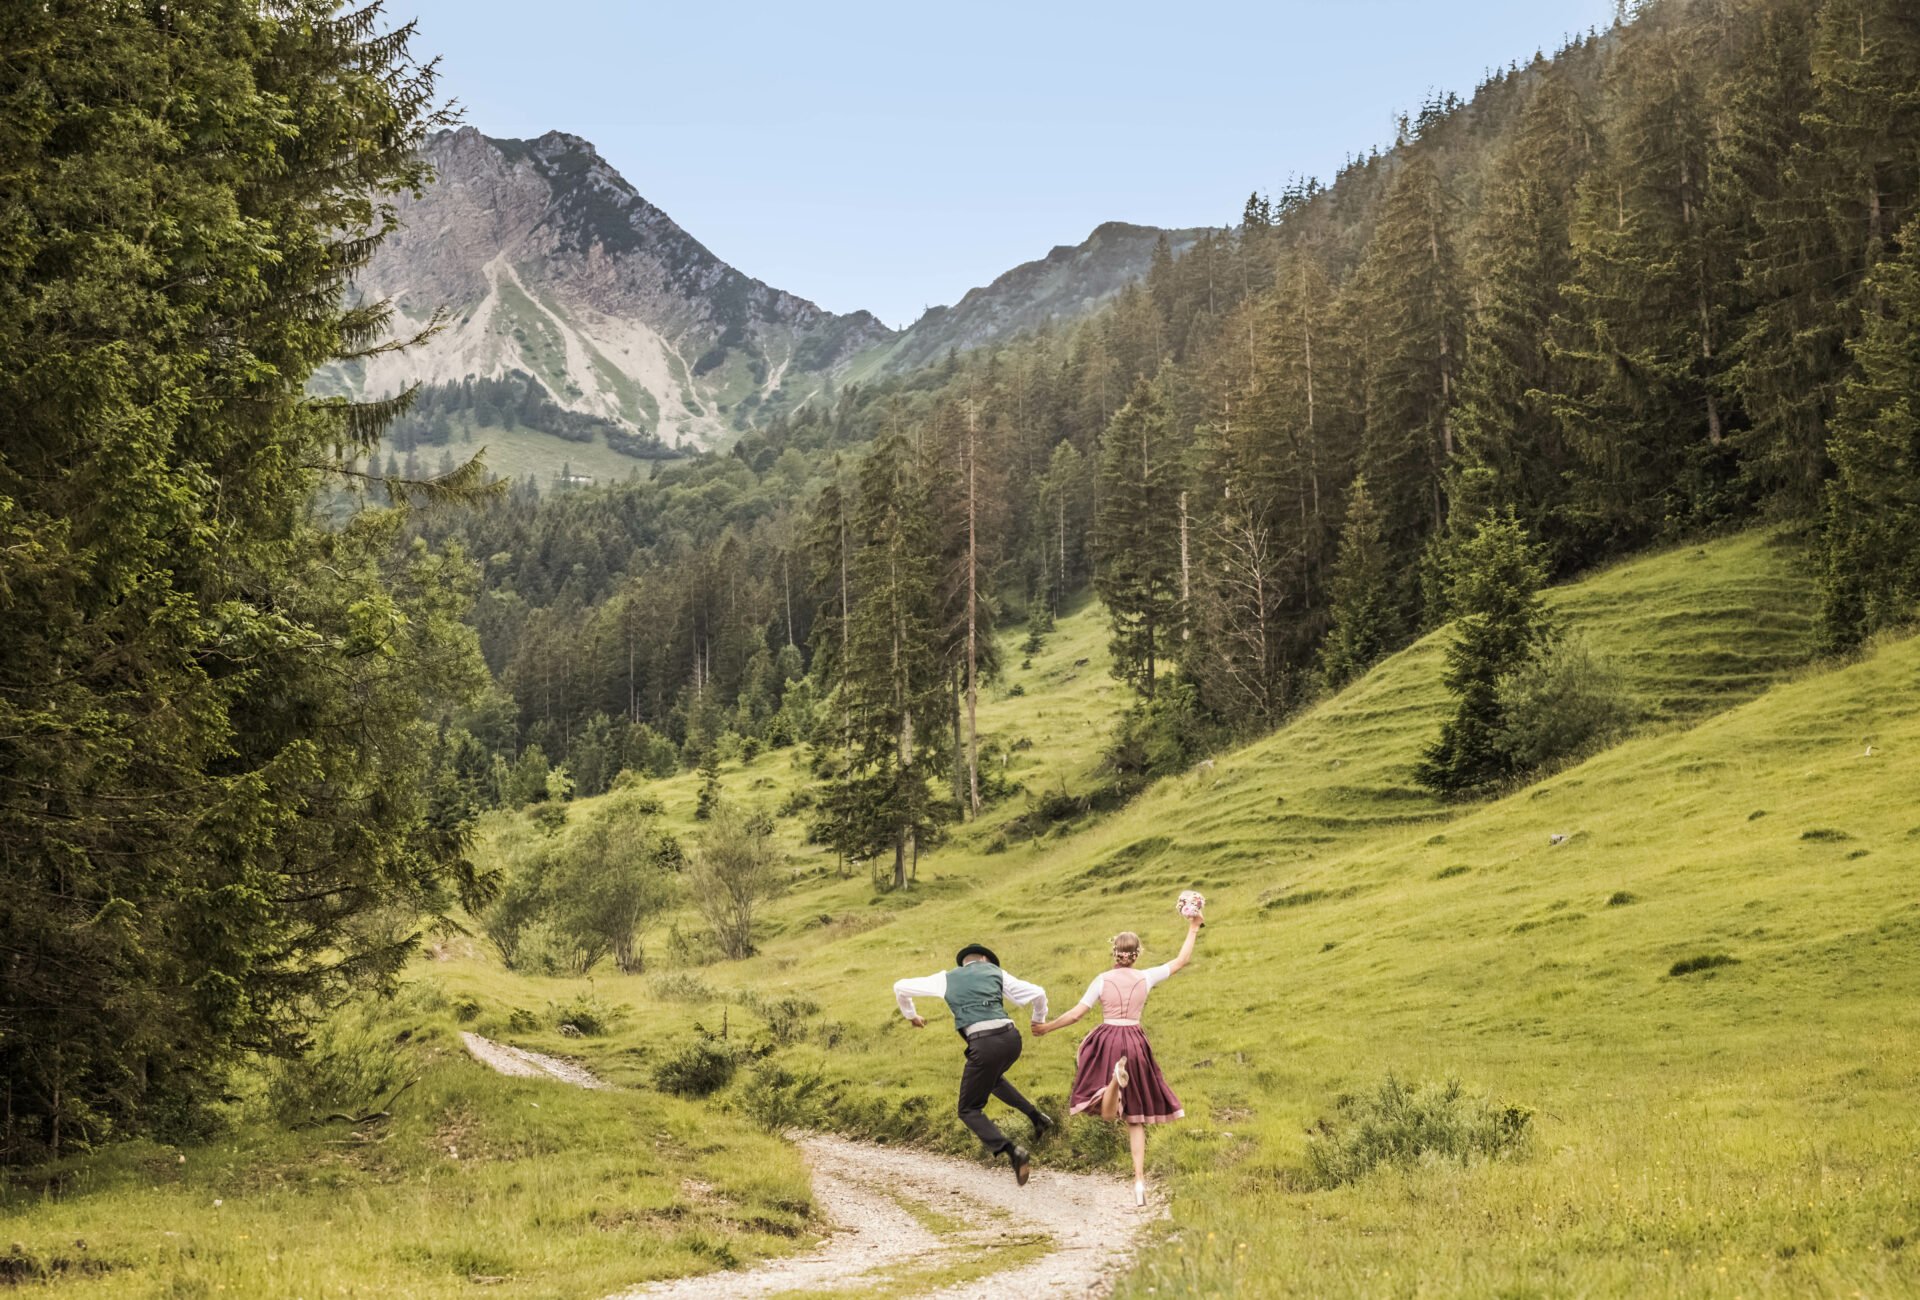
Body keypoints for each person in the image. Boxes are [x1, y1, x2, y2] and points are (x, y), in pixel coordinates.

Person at [1032, 915, 1201, 1205]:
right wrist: (1193, 927)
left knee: (1108, 1113)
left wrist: (1046, 1028)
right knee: (1134, 1120)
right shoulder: (1146, 976)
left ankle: (1113, 1080)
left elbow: (1076, 1014)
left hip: (1108, 1039)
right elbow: (1181, 960)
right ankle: (1139, 1182)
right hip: (1135, 1041)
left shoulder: (1102, 979)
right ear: (1137, 955)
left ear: (1115, 953)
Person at [893, 942, 1054, 1184]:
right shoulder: (997, 973)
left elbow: (900, 986)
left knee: (968, 1109)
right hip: (1011, 1040)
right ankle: (1038, 1119)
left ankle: (1012, 1153)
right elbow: (1039, 993)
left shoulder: (945, 978)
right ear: (985, 960)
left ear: (964, 962)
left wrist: (912, 1016)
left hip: (983, 1044)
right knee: (992, 1080)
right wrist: (1037, 1019)